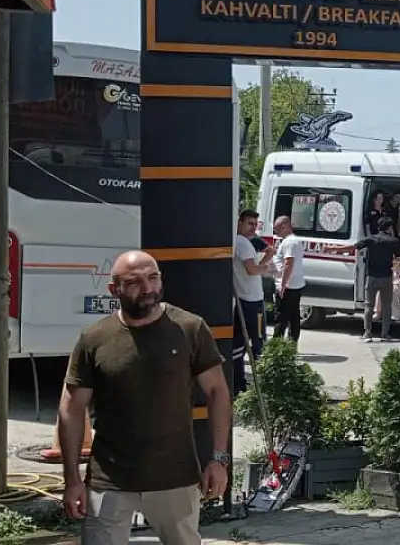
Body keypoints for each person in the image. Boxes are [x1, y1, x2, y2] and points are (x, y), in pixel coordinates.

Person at [58, 250, 232, 545]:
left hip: (175, 479)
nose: (147, 288)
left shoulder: (190, 329)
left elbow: (218, 392)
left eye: (153, 278)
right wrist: (71, 478)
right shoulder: (94, 339)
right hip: (109, 481)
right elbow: (71, 410)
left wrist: (219, 459)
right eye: (134, 282)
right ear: (114, 289)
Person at [326, 216, 400, 342]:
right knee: (386, 307)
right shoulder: (393, 241)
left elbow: (353, 247)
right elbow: (399, 257)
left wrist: (332, 248)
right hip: (386, 278)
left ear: (378, 227)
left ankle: (367, 333)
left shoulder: (370, 239)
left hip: (371, 277)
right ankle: (385, 334)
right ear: (389, 228)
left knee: (368, 306)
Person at [233, 209, 274, 395]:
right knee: (258, 344)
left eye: (255, 224)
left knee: (238, 344)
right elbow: (252, 270)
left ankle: (239, 383)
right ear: (239, 223)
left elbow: (269, 251)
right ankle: (263, 386)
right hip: (252, 300)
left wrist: (262, 264)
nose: (253, 228)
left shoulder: (244, 241)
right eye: (249, 223)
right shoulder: (243, 243)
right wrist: (265, 267)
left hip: (244, 299)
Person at [271, 216, 306, 346]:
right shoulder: (294, 240)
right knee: (293, 317)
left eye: (276, 229)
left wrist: (283, 284)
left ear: (284, 227)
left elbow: (288, 263)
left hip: (288, 286)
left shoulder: (289, 242)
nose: (275, 232)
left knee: (281, 317)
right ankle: (291, 345)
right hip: (296, 285)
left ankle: (276, 347)